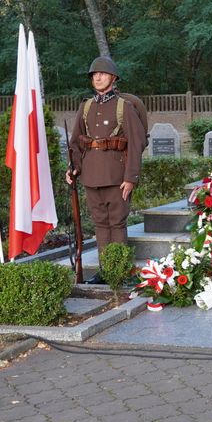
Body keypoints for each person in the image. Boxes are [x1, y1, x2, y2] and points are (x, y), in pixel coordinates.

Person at [66, 56, 144, 266]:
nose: (98, 77)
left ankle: (118, 271)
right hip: (91, 176)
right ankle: (105, 270)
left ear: (113, 77)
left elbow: (136, 144)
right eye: (94, 74)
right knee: (100, 223)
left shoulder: (124, 106)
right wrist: (73, 168)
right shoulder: (86, 107)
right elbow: (76, 142)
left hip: (116, 176)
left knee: (116, 223)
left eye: (102, 74)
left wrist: (131, 178)